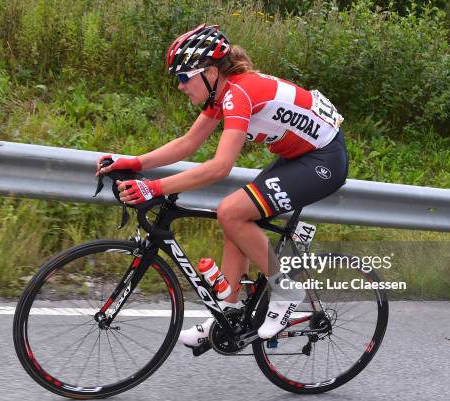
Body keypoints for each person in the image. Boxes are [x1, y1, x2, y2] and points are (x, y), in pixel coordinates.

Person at [96, 24, 348, 349]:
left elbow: (220, 166)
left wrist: (154, 188)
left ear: (211, 72)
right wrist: (134, 163)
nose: (179, 85)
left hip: (323, 161)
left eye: (184, 77)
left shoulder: (239, 93)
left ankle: (286, 289)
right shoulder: (222, 91)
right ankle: (227, 311)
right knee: (233, 217)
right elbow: (188, 143)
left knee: (231, 211)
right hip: (298, 156)